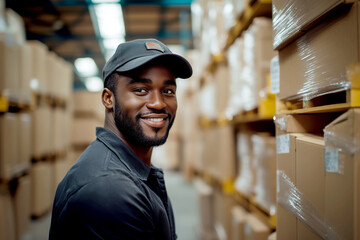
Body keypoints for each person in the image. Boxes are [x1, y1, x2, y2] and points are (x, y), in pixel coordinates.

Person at [49, 39, 192, 240]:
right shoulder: (110, 191)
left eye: (168, 91)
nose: (158, 103)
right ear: (109, 99)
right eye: (141, 90)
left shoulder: (135, 171)